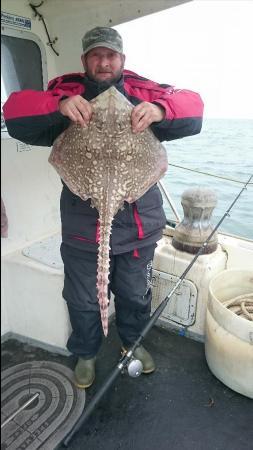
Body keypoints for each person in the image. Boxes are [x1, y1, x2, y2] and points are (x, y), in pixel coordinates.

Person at [3, 26, 204, 388]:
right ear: (85, 61)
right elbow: (14, 114)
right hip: (83, 224)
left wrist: (160, 110)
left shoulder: (144, 92)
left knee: (134, 293)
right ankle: (87, 352)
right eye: (96, 55)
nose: (104, 61)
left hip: (139, 225)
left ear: (122, 60)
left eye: (111, 55)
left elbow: (194, 108)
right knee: (82, 298)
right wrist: (57, 107)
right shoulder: (66, 93)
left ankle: (133, 342)